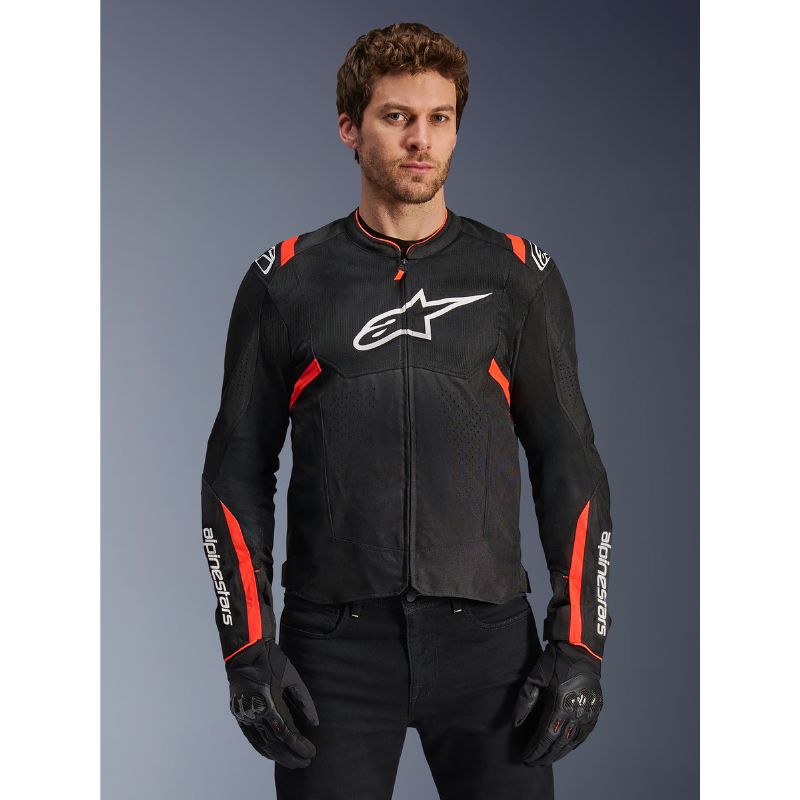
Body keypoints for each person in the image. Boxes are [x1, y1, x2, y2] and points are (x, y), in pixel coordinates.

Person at [200, 21, 613, 800]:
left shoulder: (518, 277)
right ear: (350, 128)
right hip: (334, 650)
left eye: (439, 118)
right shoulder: (285, 281)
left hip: (490, 649)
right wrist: (246, 649)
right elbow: (235, 472)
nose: (421, 140)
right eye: (396, 117)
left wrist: (581, 644)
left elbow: (570, 464)